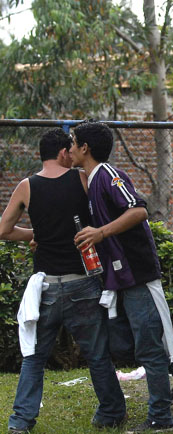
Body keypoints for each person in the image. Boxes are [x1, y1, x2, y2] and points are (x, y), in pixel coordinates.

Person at [70, 121, 173, 432]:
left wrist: (100, 232)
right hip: (119, 280)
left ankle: (160, 419)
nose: (69, 148)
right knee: (128, 344)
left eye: (73, 143)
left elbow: (137, 211)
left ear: (85, 148)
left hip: (137, 275)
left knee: (149, 349)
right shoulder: (92, 179)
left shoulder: (110, 175)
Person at [0, 128, 127, 433]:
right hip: (81, 281)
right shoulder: (81, 179)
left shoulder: (26, 186)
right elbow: (100, 215)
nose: (73, 153)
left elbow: (3, 230)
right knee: (96, 354)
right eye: (69, 149)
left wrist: (35, 235)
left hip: (45, 287)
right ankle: (111, 412)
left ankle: (20, 422)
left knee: (34, 357)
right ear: (62, 153)